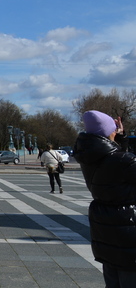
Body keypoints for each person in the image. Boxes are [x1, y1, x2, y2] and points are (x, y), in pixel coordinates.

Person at [74, 110, 136, 287]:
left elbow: (115, 162)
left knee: (113, 277)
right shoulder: (123, 161)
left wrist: (119, 138)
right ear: (110, 132)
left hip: (105, 227)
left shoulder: (89, 157)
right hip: (129, 227)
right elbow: (121, 162)